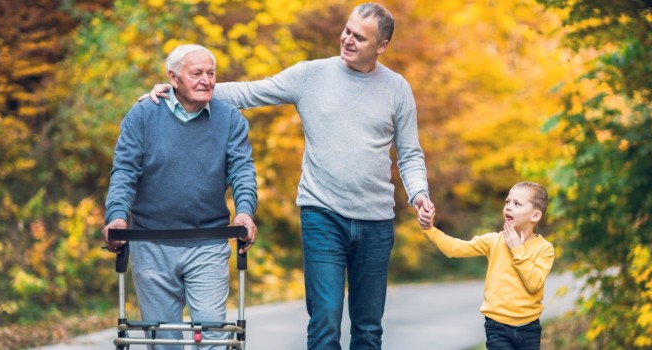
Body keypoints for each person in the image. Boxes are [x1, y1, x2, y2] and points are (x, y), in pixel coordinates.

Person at [142, 3, 431, 349]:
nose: (347, 39)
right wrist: (181, 89)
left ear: (381, 45)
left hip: (376, 221)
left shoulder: (397, 88)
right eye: (347, 30)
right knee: (324, 320)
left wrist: (419, 194)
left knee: (368, 328)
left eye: (360, 37)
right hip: (322, 214)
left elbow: (409, 153)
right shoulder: (311, 75)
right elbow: (250, 92)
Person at [103, 44, 258, 350]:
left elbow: (242, 171)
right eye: (196, 73)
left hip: (208, 243)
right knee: (163, 341)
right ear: (173, 78)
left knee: (213, 337)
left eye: (211, 73)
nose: (206, 80)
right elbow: (124, 171)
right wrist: (117, 216)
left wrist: (244, 211)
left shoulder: (230, 119)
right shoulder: (143, 115)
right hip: (152, 244)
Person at [417, 181, 555, 350]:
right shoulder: (493, 240)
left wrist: (517, 249)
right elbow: (455, 248)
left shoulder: (544, 249)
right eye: (507, 202)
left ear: (535, 216)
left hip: (529, 328)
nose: (508, 207)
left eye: (517, 204)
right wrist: (429, 229)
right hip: (497, 326)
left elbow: (533, 284)